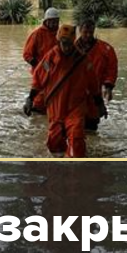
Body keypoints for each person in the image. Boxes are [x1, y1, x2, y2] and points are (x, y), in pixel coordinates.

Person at [31, 24, 98, 158]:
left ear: (73, 42)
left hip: (75, 107)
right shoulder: (50, 58)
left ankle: (77, 166)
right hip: (56, 108)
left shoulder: (83, 60)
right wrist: (29, 99)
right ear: (58, 41)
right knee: (54, 142)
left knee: (76, 137)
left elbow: (93, 84)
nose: (66, 47)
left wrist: (99, 103)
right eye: (63, 43)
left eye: (68, 43)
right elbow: (37, 79)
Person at [76, 20, 117, 132]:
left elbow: (112, 69)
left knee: (92, 127)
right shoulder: (71, 48)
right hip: (76, 95)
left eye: (91, 32)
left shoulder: (105, 49)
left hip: (95, 94)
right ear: (80, 31)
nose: (88, 35)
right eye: (85, 32)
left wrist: (108, 86)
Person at [22, 8, 60, 114]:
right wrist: (40, 67)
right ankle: (36, 116)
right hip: (40, 73)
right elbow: (27, 54)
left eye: (56, 21)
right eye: (52, 21)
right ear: (46, 21)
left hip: (56, 73)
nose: (54, 24)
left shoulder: (60, 35)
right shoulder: (37, 34)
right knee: (39, 100)